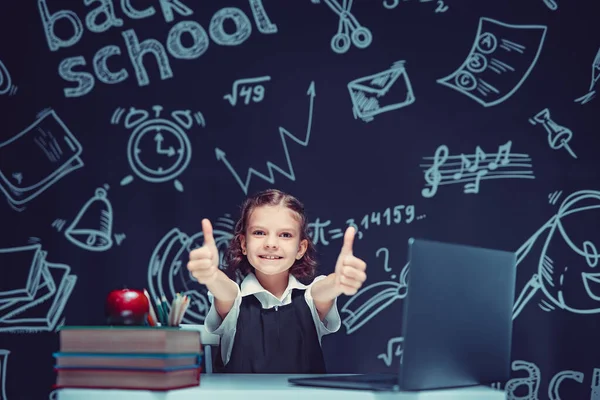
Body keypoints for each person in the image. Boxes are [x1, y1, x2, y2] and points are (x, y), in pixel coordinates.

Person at [187, 189, 368, 373]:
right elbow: (224, 291)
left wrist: (339, 280)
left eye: (285, 235)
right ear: (243, 244)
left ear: (301, 248)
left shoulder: (311, 299)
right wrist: (211, 275)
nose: (271, 243)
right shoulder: (234, 303)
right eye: (259, 232)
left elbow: (325, 289)